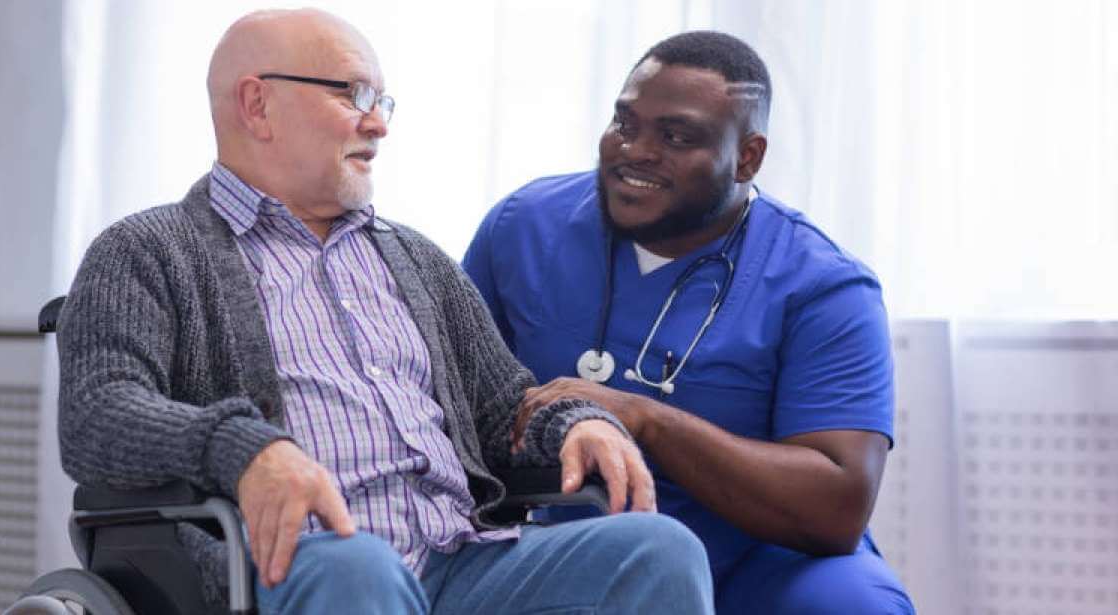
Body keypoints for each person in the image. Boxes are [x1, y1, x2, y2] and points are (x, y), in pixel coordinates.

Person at [56, 9, 715, 614]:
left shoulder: (416, 259)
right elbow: (97, 413)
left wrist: (574, 425)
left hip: (464, 558)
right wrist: (244, 449)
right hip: (298, 564)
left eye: (382, 100)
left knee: (659, 549)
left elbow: (503, 407)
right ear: (258, 105)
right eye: (352, 94)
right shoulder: (146, 250)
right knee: (360, 568)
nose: (379, 123)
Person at [463, 31, 915, 613]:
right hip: (567, 542)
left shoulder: (824, 285)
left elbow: (836, 509)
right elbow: (449, 399)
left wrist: (645, 420)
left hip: (758, 561)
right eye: (625, 124)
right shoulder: (523, 228)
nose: (636, 150)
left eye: (676, 136)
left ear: (747, 157)